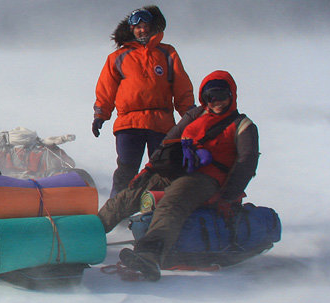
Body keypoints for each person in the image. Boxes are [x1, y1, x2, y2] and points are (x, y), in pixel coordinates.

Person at [98, 70, 259, 281]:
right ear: (204, 98)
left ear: (232, 95)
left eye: (222, 95)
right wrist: (148, 171)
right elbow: (168, 142)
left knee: (172, 203)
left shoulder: (242, 125)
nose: (217, 102)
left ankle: (149, 255)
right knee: (128, 197)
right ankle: (88, 234)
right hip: (177, 171)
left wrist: (228, 196)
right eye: (211, 97)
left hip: (207, 179)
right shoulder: (196, 115)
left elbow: (246, 162)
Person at [93, 5, 194, 197]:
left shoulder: (167, 53)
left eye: (146, 25)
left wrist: (190, 114)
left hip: (161, 122)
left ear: (153, 27)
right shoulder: (117, 57)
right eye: (138, 27)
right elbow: (106, 89)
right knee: (126, 170)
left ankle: (156, 213)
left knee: (162, 171)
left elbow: (182, 87)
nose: (143, 30)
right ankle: (116, 213)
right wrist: (100, 115)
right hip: (129, 124)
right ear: (131, 30)